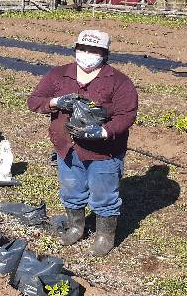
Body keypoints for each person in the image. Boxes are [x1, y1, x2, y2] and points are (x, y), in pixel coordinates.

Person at [28, 30, 138, 257]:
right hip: (66, 148)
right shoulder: (59, 75)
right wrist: (57, 101)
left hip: (103, 153)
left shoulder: (118, 81)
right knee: (71, 189)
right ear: (75, 49)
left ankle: (104, 236)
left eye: (94, 50)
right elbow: (34, 101)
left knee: (104, 194)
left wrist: (104, 132)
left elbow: (127, 114)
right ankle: (77, 226)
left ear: (104, 54)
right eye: (83, 49)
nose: (87, 54)